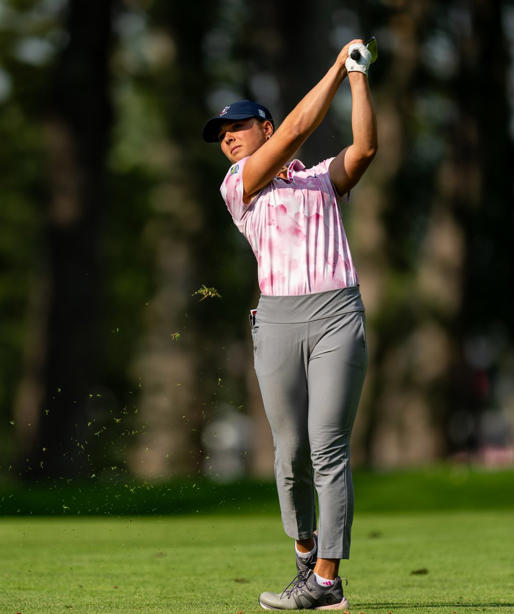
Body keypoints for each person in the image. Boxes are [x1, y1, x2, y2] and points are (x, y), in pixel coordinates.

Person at [202, 39, 377, 610]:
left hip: (335, 314)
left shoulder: (321, 180)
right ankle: (306, 556)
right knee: (290, 451)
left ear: (264, 125)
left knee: (328, 445)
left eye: (237, 127)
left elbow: (366, 149)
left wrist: (354, 75)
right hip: (275, 320)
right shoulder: (240, 186)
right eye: (221, 135)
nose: (227, 138)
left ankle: (326, 580)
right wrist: (331, 64)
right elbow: (296, 134)